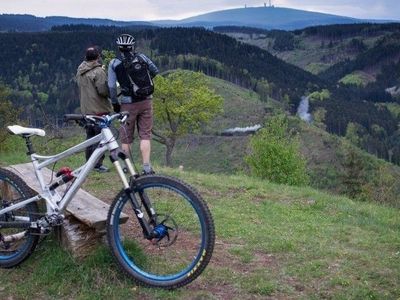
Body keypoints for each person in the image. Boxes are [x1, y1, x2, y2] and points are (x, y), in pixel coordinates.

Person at [108, 34, 159, 174]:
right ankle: (147, 167)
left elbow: (111, 87)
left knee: (126, 136)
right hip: (146, 100)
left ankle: (127, 166)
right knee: (145, 135)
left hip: (127, 104)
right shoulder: (142, 57)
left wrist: (115, 103)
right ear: (132, 46)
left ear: (119, 48)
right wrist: (142, 84)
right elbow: (155, 71)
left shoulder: (114, 63)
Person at [76, 46, 113, 173]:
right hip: (99, 109)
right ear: (98, 57)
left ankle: (89, 164)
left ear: (86, 57)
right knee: (100, 138)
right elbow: (103, 91)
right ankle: (97, 165)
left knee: (90, 137)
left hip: (86, 110)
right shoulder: (98, 71)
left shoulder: (80, 70)